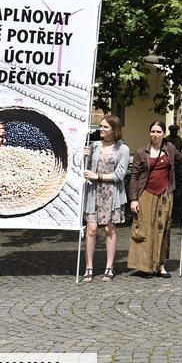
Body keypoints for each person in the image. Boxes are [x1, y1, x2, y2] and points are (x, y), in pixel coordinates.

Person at [127, 120, 182, 278]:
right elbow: (134, 177)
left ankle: (160, 266)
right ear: (149, 132)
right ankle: (144, 266)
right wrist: (133, 199)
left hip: (165, 194)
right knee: (144, 228)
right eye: (153, 131)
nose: (155, 134)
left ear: (163, 133)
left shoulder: (170, 149)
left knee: (162, 229)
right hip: (145, 194)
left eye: (158, 132)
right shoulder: (141, 152)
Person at [82, 114, 130, 283]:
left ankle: (109, 267)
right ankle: (89, 267)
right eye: (100, 126)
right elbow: (85, 170)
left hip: (111, 194)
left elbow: (120, 174)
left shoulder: (122, 149)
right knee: (91, 230)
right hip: (93, 193)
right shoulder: (94, 146)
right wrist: (84, 157)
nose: (101, 129)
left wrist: (99, 177)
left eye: (105, 127)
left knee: (110, 230)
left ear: (114, 129)